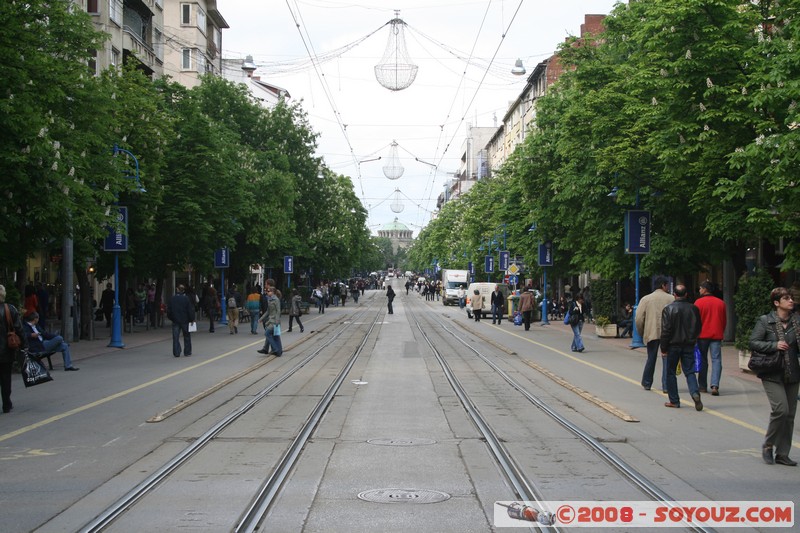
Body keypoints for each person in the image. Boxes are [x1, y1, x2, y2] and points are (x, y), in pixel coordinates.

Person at [749, 287, 800, 466]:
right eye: (786, 298)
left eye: (791, 298)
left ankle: (783, 453)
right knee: (781, 410)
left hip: (793, 371)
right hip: (772, 371)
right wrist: (774, 345)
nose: (791, 301)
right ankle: (768, 444)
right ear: (777, 303)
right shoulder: (765, 321)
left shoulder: (797, 322)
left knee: (790, 415)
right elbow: (753, 342)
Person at [661, 285, 703, 410]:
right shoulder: (693, 308)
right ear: (686, 295)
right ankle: (695, 393)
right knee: (689, 371)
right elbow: (698, 327)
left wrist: (663, 348)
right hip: (689, 344)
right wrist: (693, 339)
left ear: (675, 294)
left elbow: (665, 330)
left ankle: (674, 400)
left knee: (670, 373)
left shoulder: (668, 309)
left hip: (673, 345)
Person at [636, 276, 674, 392]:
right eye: (667, 285)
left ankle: (647, 382)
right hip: (668, 333)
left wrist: (642, 332)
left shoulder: (646, 299)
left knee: (651, 358)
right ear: (663, 285)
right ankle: (666, 385)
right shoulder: (671, 299)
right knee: (667, 359)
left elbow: (638, 318)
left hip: (652, 332)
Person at [695, 280, 727, 396]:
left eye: (700, 288)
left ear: (704, 289)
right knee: (716, 359)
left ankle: (702, 386)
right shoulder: (721, 303)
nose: (699, 290)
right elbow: (724, 320)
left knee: (703, 360)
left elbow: (695, 321)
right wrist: (721, 331)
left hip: (702, 335)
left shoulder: (698, 303)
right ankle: (715, 385)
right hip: (716, 334)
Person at [1, 285, 26, 413]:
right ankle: (6, 403)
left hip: (5, 348)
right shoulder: (9, 309)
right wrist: (24, 346)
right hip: (6, 349)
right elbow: (19, 329)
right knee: (6, 377)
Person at [167, 284, 195, 357]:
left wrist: (172, 318)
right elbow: (189, 310)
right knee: (187, 336)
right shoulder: (186, 299)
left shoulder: (172, 299)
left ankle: (176, 352)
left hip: (175, 320)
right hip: (185, 320)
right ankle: (187, 351)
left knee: (175, 337)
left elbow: (169, 311)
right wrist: (191, 319)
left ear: (177, 289)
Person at [258, 287, 282, 356]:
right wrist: (261, 318)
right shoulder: (270, 300)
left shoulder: (276, 300)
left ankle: (275, 349)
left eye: (269, 291)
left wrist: (277, 321)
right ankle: (279, 351)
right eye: (267, 291)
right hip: (271, 320)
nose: (267, 292)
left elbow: (278, 311)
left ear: (273, 292)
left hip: (274, 321)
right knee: (276, 336)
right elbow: (268, 311)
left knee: (267, 333)